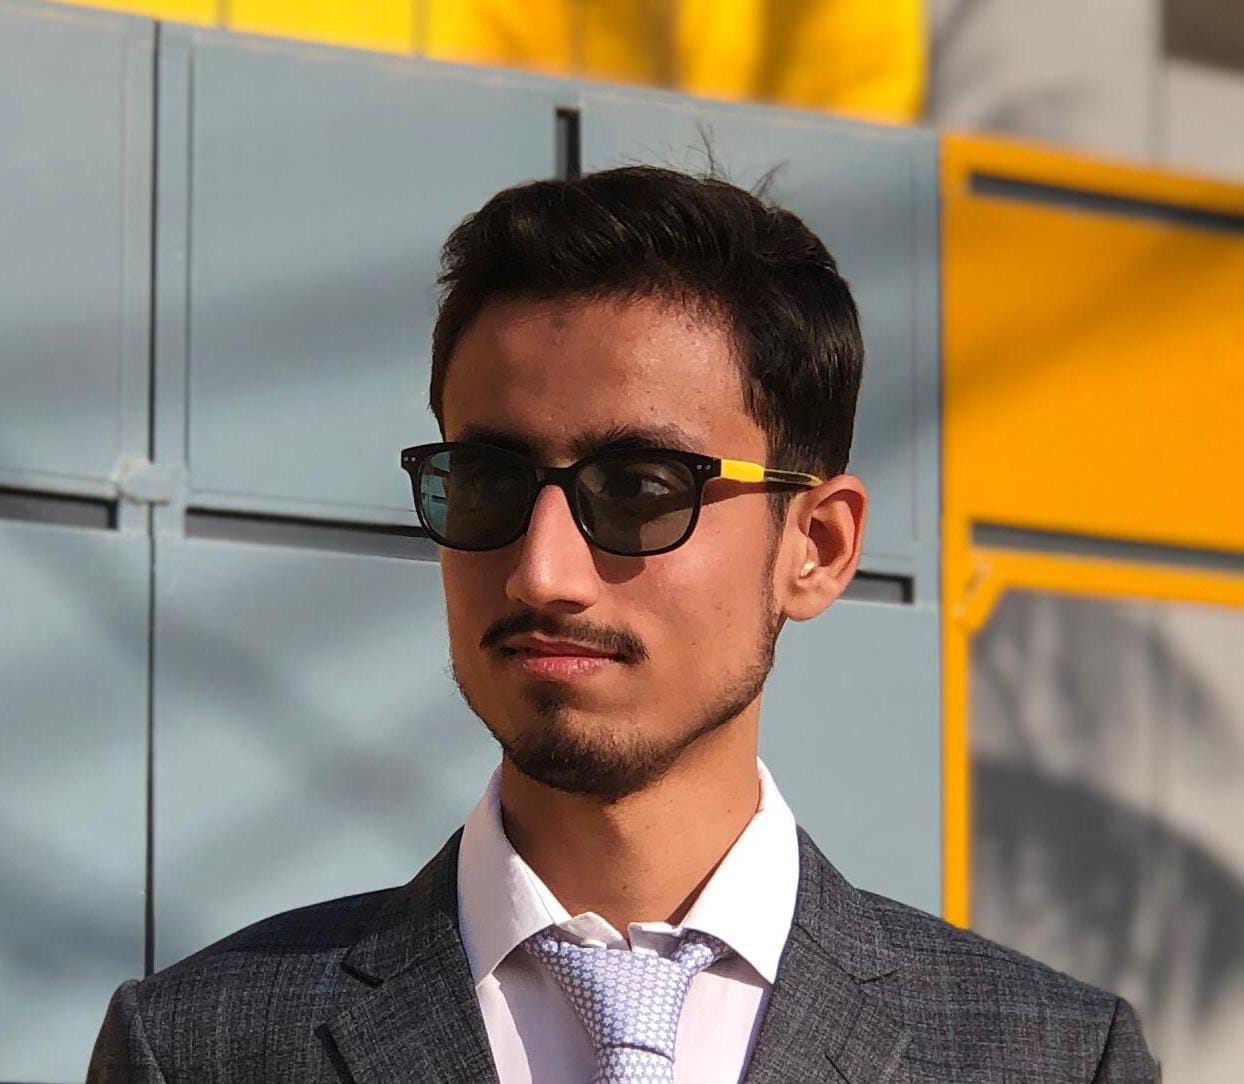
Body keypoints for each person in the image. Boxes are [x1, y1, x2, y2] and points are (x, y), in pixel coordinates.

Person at [87, 165, 1159, 1083]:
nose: (542, 572)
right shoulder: (196, 1048)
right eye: (487, 480)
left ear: (818, 546)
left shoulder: (1054, 1059)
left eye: (642, 488)